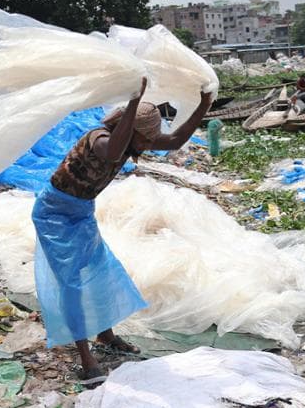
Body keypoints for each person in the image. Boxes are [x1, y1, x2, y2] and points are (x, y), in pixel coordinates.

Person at [31, 77, 213, 382]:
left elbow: (175, 141)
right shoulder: (100, 139)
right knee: (72, 283)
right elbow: (113, 151)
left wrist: (203, 105)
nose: (148, 144)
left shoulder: (129, 141)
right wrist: (133, 100)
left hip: (81, 211)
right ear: (132, 131)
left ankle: (106, 335)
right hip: (54, 214)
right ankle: (86, 359)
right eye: (146, 138)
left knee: (100, 270)